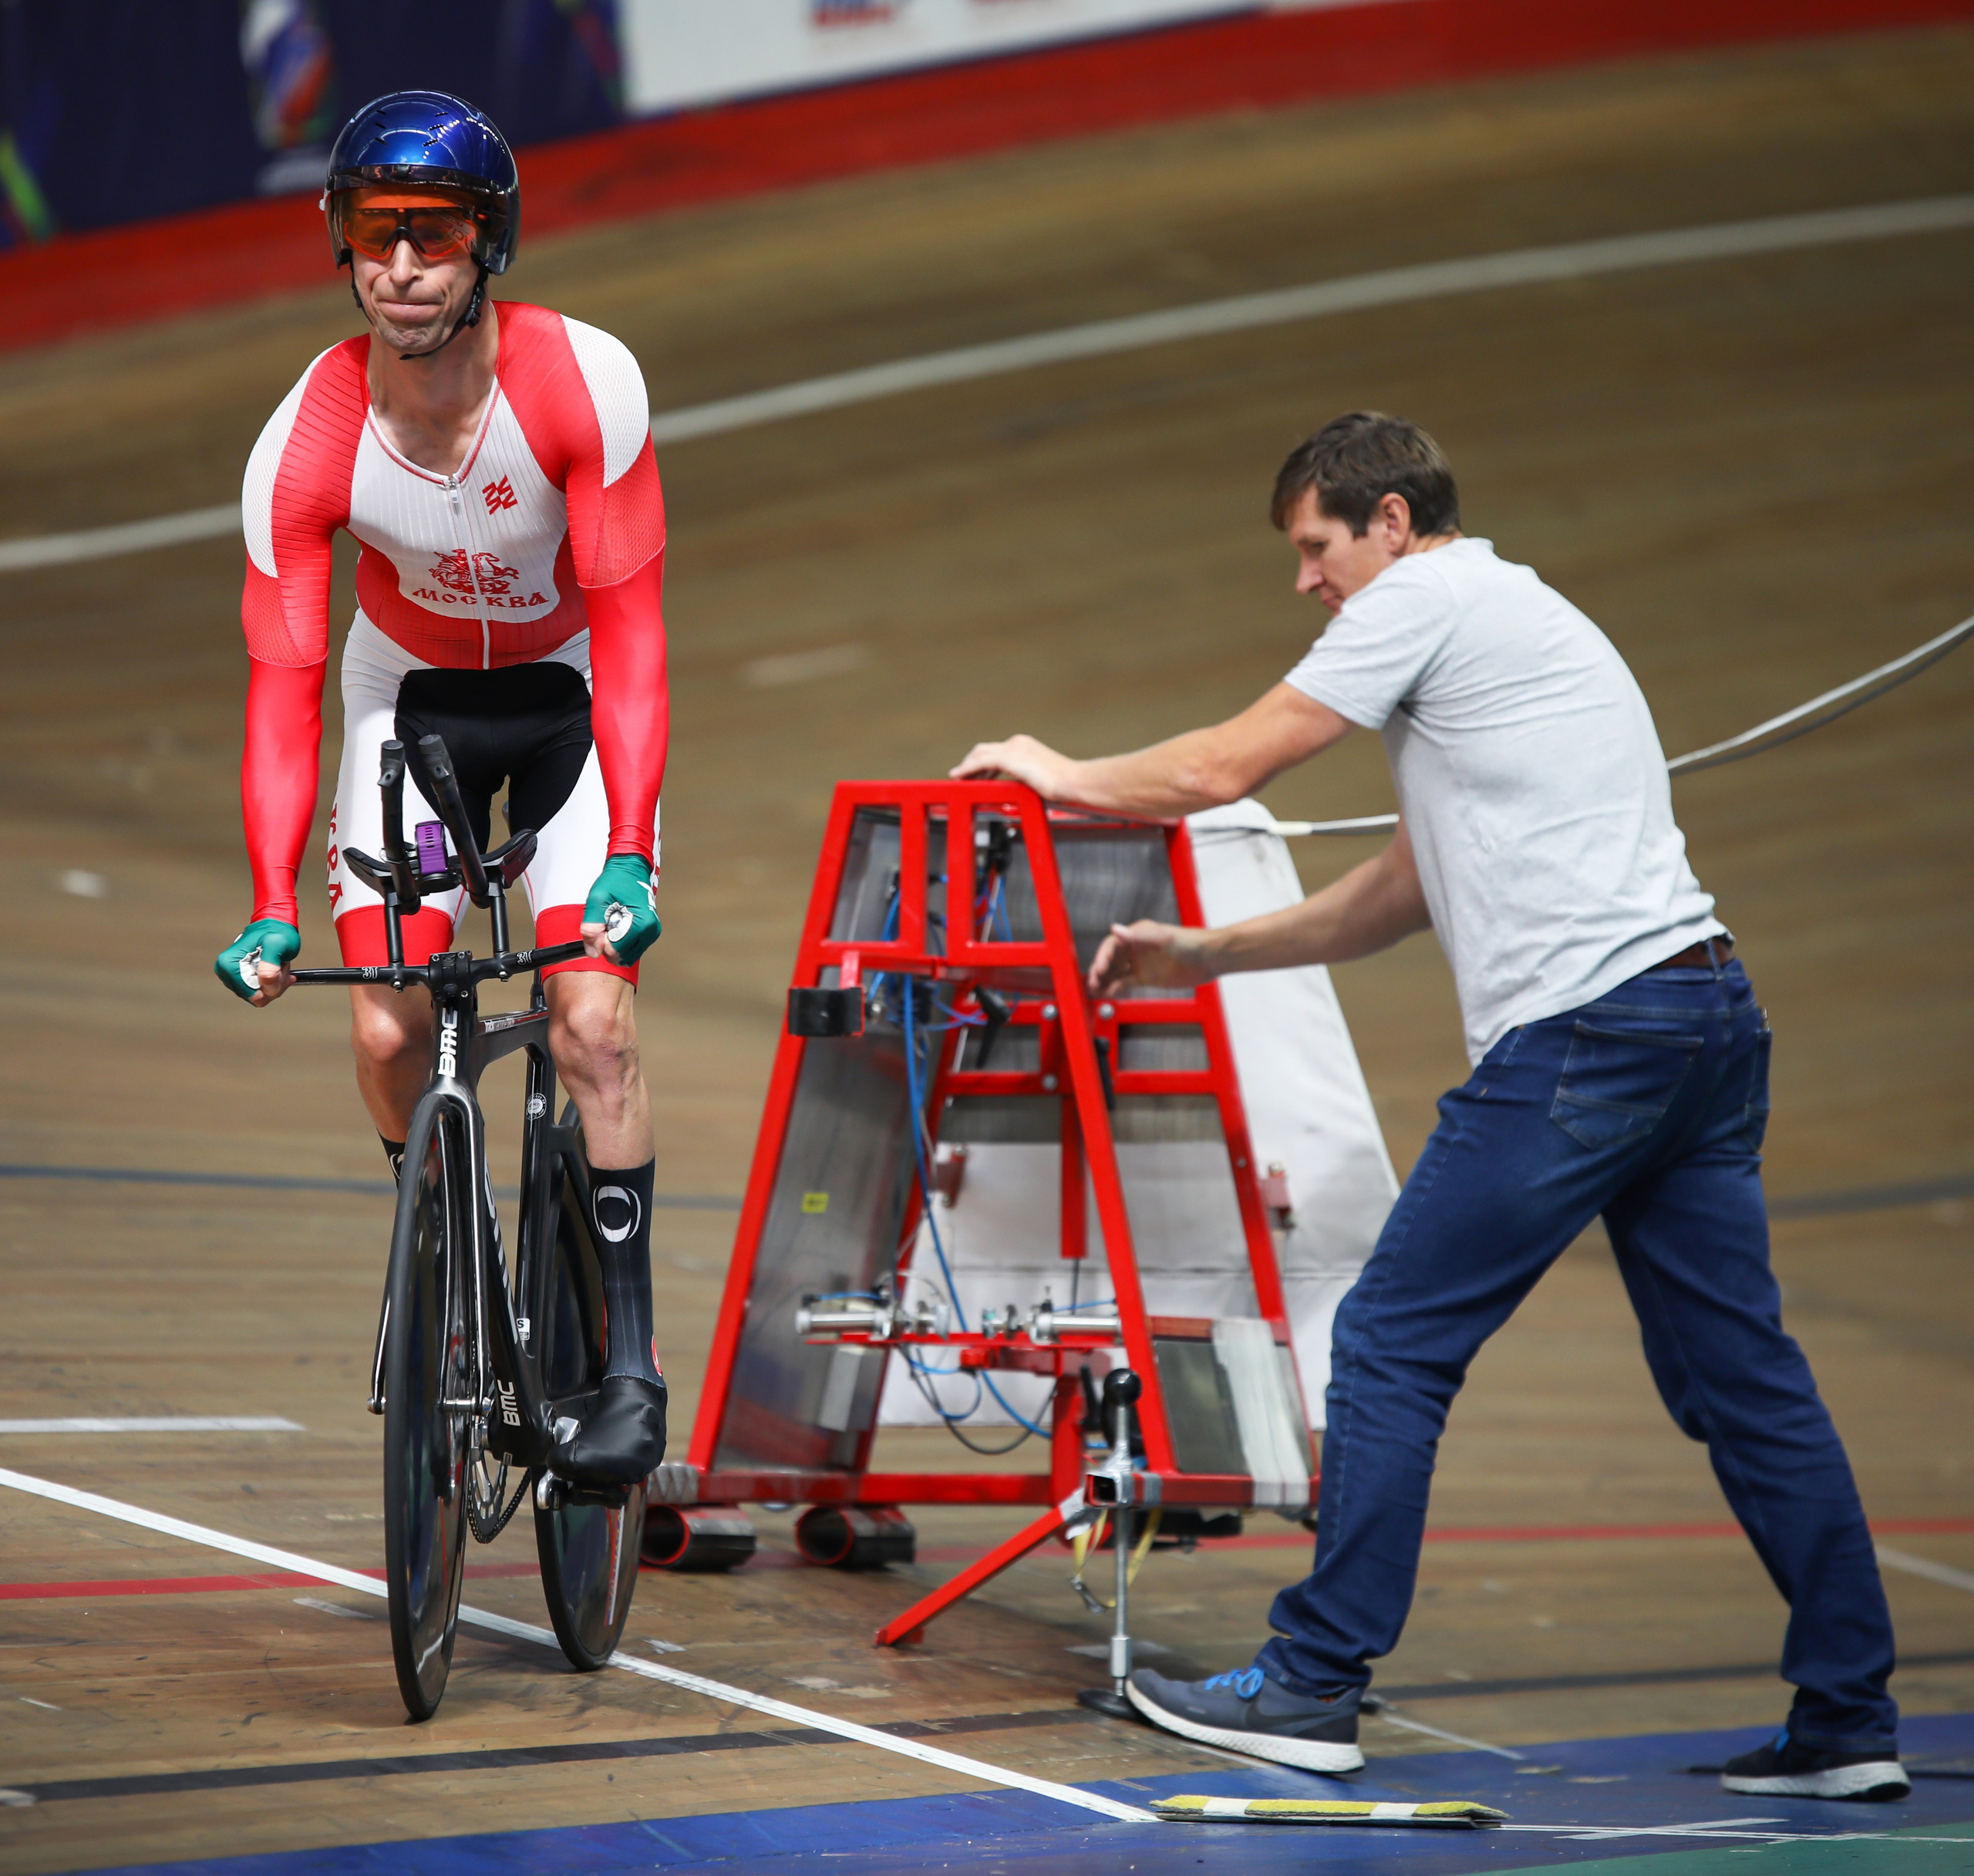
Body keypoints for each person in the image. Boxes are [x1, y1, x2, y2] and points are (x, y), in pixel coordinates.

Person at [954, 413, 1906, 1803]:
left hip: (1589, 1036)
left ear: (1390, 522)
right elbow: (1400, 892)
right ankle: (1848, 1720)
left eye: (1315, 547)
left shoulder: (1426, 600)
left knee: (1392, 1341)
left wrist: (1061, 770)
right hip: (1700, 1018)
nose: (1306, 581)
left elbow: (1225, 766)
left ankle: (1310, 1682)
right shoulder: (1517, 622)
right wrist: (1203, 950)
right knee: (1741, 1379)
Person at [214, 91, 669, 1487]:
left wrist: (629, 854)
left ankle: (632, 1363)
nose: (401, 263)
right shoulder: (303, 444)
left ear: (491, 246)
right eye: (372, 230)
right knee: (383, 1031)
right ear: (340, 245)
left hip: (568, 702)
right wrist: (267, 901)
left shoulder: (581, 385)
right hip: (403, 706)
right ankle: (451, 1266)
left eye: (435, 232)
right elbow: (284, 691)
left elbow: (638, 634)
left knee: (592, 1017)